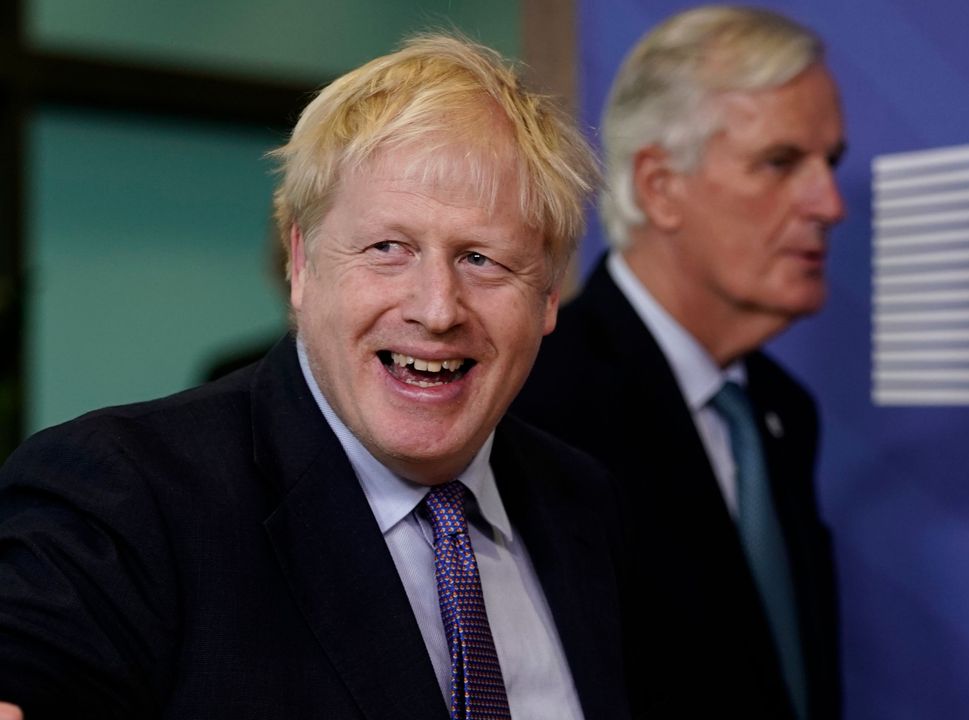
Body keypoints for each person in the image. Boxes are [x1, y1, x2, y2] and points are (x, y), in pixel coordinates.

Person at [0, 33, 628, 720]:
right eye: (389, 249)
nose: (437, 308)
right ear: (302, 265)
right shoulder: (123, 499)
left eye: (483, 259)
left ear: (546, 298)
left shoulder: (590, 508)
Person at [512, 6, 845, 719]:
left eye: (830, 163)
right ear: (660, 187)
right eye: (781, 162)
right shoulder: (539, 398)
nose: (829, 203)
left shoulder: (783, 412)